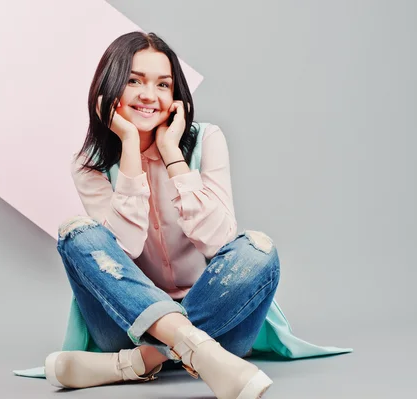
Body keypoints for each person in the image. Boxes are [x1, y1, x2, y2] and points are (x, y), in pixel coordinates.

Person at [46, 31, 280, 399]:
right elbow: (125, 246)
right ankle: (196, 351)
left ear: (176, 97)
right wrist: (128, 147)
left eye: (163, 84)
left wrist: (172, 155)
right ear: (108, 93)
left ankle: (136, 363)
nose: (148, 95)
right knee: (78, 233)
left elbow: (220, 240)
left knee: (257, 250)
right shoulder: (88, 165)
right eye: (134, 81)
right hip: (125, 322)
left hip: (216, 315)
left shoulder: (207, 140)